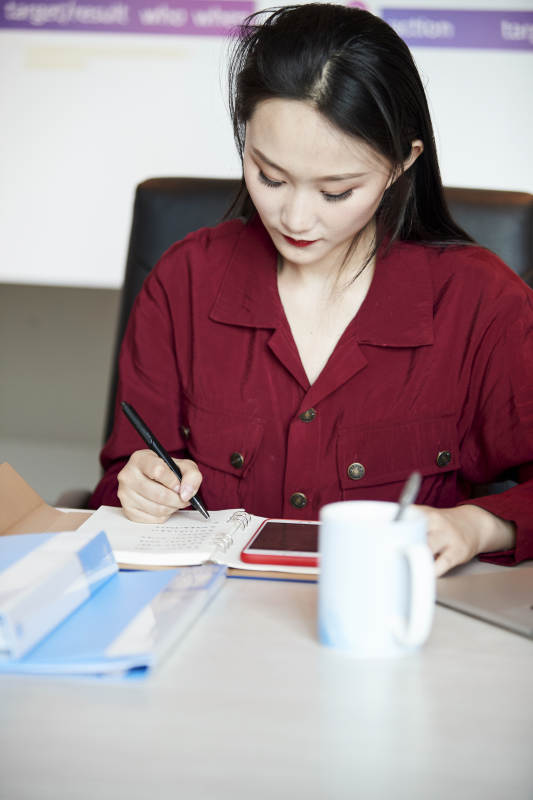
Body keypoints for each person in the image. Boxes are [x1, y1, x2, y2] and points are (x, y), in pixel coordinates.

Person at [89, 4, 533, 576]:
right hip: (213, 619)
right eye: (270, 177)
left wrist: (477, 525)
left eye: (336, 191)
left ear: (403, 162)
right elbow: (120, 479)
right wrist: (139, 486)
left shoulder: (482, 303)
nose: (295, 219)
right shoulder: (185, 282)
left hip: (394, 619)